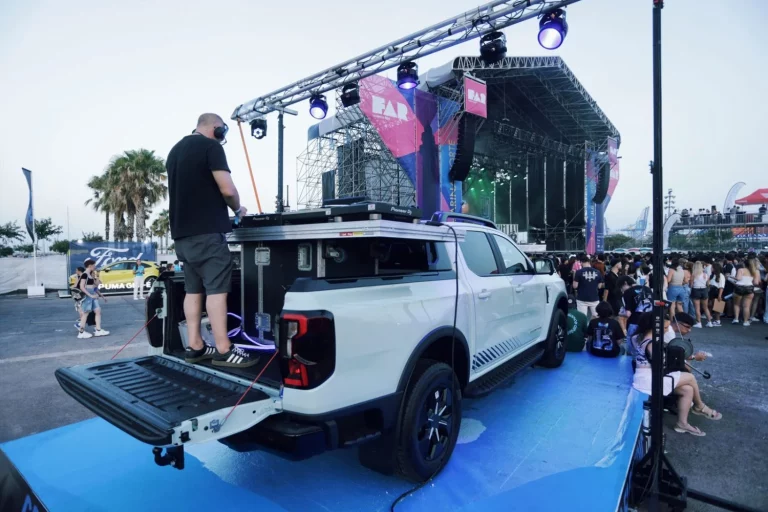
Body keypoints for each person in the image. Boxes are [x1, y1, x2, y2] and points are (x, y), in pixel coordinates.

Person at [167, 113, 256, 368]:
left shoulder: (174, 151)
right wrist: (238, 209)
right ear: (217, 128)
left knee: (193, 290)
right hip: (207, 234)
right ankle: (224, 349)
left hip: (182, 236)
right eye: (223, 131)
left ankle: (195, 346)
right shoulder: (211, 147)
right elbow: (227, 189)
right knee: (217, 291)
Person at [631, 313, 721, 437]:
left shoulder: (640, 337)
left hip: (644, 378)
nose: (667, 330)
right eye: (665, 328)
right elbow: (661, 366)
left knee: (688, 389)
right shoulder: (653, 344)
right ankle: (699, 406)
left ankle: (682, 424)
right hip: (649, 381)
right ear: (654, 327)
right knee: (690, 377)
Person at [77, 259, 110, 339]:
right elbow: (81, 287)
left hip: (93, 294)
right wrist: (90, 295)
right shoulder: (84, 275)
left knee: (98, 311)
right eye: (94, 265)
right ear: (90, 266)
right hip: (88, 295)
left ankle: (98, 330)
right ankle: (81, 332)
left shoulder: (90, 274)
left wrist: (97, 276)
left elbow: (96, 285)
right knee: (85, 313)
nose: (95, 266)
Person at [732, 257, 760, 326]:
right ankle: (745, 321)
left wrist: (732, 277)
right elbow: (756, 282)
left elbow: (738, 278)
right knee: (746, 306)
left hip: (739, 288)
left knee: (736, 304)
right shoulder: (755, 271)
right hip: (749, 288)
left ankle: (736, 319)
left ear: (744, 264)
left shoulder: (741, 270)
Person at [689, 260, 712, 328]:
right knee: (705, 307)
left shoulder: (693, 275)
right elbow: (708, 284)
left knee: (697, 308)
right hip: (704, 290)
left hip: (696, 290)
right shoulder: (705, 275)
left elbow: (691, 285)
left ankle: (699, 323)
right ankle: (709, 322)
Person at [72, 266, 85, 330]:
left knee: (80, 309)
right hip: (81, 294)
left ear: (79, 271)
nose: (75, 271)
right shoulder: (81, 276)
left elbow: (75, 285)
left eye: (76, 270)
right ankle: (80, 324)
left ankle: (81, 324)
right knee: (81, 309)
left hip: (79, 294)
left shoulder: (80, 277)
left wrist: (72, 289)